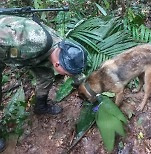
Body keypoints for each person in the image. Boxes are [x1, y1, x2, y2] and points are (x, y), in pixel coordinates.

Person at [0, 15, 87, 152]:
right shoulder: (31, 40)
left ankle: (40, 106)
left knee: (46, 77)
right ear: (58, 64)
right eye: (67, 74)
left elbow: (76, 72)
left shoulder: (62, 48)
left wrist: (87, 87)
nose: (68, 76)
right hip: (4, 47)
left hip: (30, 57)